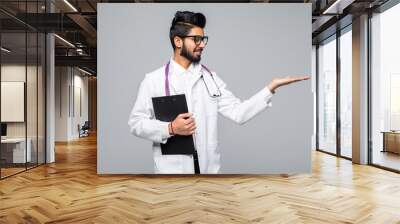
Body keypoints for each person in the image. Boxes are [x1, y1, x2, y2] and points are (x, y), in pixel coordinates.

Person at [128, 11, 310, 174]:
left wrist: (271, 87)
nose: (202, 45)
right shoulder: (154, 80)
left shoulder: (211, 78)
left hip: (208, 171)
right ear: (178, 41)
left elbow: (239, 113)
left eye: (203, 39)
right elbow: (136, 123)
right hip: (171, 172)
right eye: (196, 39)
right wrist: (169, 128)